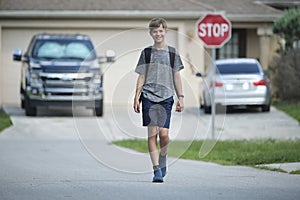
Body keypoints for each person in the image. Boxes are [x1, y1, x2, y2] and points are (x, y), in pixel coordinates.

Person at [133, 18, 184, 183]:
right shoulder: (146, 53)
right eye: (155, 31)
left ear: (166, 32)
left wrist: (180, 97)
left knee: (164, 135)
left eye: (161, 31)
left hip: (166, 97)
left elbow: (177, 75)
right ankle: (156, 170)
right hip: (148, 96)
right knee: (152, 134)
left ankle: (163, 157)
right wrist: (136, 97)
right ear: (150, 33)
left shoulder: (172, 53)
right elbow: (141, 76)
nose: (158, 34)